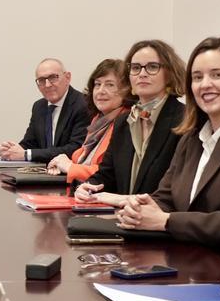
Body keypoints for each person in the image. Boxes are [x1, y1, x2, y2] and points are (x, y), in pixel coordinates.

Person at [110, 36, 220, 249]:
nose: (205, 84)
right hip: (182, 257)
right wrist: (139, 207)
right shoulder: (191, 137)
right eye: (197, 77)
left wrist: (167, 221)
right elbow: (166, 196)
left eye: (217, 75)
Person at [74, 39, 187, 204]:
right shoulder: (123, 121)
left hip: (160, 222)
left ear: (169, 74)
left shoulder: (184, 120)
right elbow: (107, 174)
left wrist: (125, 200)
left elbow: (177, 190)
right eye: (135, 68)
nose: (142, 73)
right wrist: (87, 187)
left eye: (152, 67)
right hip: (125, 220)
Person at [47, 59, 131, 181]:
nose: (101, 91)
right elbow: (82, 159)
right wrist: (61, 162)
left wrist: (70, 167)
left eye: (110, 85)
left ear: (127, 90)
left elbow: (111, 174)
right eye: (97, 84)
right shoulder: (99, 120)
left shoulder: (126, 123)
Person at [0, 58, 91, 164]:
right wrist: (11, 151)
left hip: (70, 175)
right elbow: (30, 144)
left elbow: (76, 149)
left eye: (53, 77)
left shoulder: (83, 104)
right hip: (43, 173)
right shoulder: (39, 106)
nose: (47, 85)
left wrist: (26, 154)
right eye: (41, 80)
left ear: (67, 77)